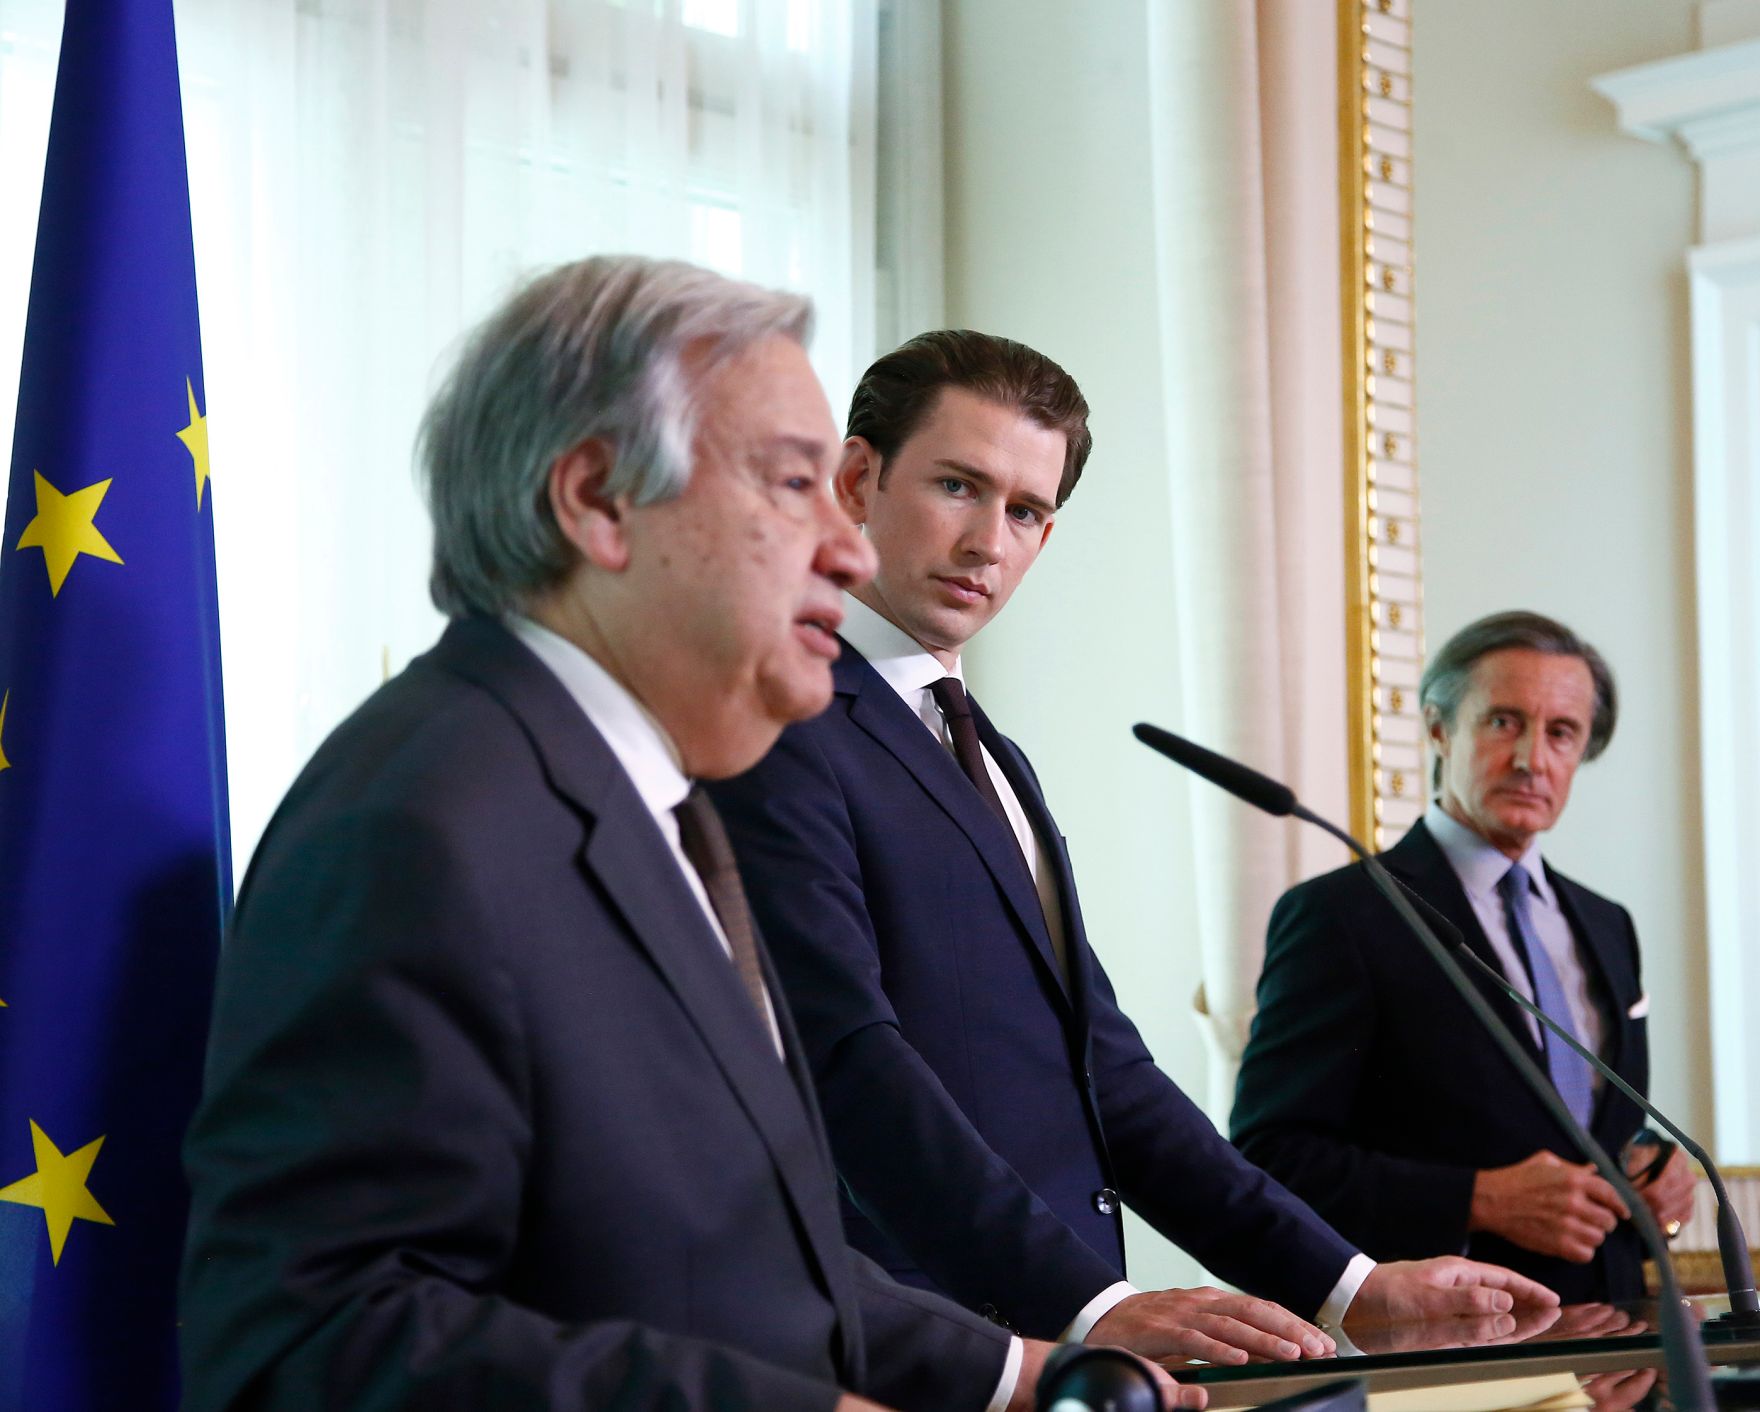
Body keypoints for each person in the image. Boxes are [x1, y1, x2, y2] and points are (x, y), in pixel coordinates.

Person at [178, 260, 1144, 1411]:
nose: (846, 548)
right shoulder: (425, 821)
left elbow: (732, 1254)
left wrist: (1014, 1370)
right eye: (793, 484)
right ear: (598, 499)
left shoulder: (655, 806)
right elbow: (312, 1336)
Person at [709, 331, 1554, 1369]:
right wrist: (1090, 1305)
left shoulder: (993, 755)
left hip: (1058, 1353)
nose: (987, 542)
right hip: (902, 1347)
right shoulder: (778, 722)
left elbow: (1104, 1072)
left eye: (1025, 511)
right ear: (854, 479)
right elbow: (846, 1058)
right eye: (957, 486)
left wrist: (1348, 1284)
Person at [1232, 611, 1696, 1303]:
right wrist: (1476, 1199)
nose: (1531, 759)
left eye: (1561, 733)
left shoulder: (1607, 923)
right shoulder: (1344, 914)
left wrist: (1651, 1164)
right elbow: (1271, 1156)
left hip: (1614, 1324)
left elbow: (1577, 1118)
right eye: (1504, 722)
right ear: (1438, 729)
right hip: (1452, 1330)